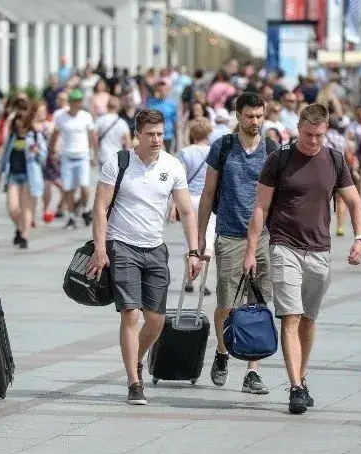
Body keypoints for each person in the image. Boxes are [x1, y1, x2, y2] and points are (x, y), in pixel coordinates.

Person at [244, 103, 361, 415]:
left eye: (319, 135)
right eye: (309, 135)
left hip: (320, 250)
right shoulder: (279, 159)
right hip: (285, 247)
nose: (314, 141)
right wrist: (250, 250)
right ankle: (295, 387)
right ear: (298, 129)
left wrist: (360, 237)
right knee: (291, 317)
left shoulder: (334, 158)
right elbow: (260, 207)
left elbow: (353, 200)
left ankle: (303, 374)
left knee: (309, 319)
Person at [86, 108, 202, 406]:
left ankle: (135, 359)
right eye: (150, 134)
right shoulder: (119, 162)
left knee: (156, 320)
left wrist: (193, 251)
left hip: (155, 248)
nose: (156, 140)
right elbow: (100, 208)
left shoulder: (172, 165)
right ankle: (134, 382)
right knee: (131, 314)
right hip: (122, 246)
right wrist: (101, 249)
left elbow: (187, 211)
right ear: (137, 134)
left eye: (160, 134)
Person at [197, 92, 276, 394]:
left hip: (263, 236)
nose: (255, 121)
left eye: (259, 116)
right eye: (249, 116)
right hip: (229, 234)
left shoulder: (271, 148)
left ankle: (252, 371)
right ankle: (222, 351)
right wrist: (201, 240)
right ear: (238, 116)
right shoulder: (223, 146)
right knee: (226, 304)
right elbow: (207, 194)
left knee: (256, 304)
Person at [0, 104, 48, 249]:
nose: (20, 127)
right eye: (17, 124)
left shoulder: (35, 136)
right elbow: (5, 156)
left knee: (26, 209)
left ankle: (24, 236)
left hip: (29, 176)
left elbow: (43, 157)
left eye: (23, 124)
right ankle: (20, 227)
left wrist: (36, 151)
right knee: (12, 208)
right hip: (13, 175)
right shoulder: (12, 137)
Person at [49, 89, 97, 229]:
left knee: (84, 186)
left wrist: (94, 153)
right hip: (67, 155)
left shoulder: (85, 116)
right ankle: (71, 216)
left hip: (82, 155)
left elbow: (92, 134)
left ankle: (84, 208)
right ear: (70, 102)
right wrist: (51, 151)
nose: (78, 103)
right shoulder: (61, 117)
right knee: (68, 187)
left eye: (79, 101)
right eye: (75, 101)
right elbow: (55, 134)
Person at [176, 118, 213, 295]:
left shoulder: (184, 152)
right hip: (206, 198)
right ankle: (203, 281)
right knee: (205, 239)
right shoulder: (213, 151)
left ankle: (189, 279)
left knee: (189, 239)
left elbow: (180, 179)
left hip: (189, 198)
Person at [94, 97, 132, 168]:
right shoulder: (122, 123)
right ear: (119, 107)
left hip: (103, 156)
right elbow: (128, 142)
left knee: (103, 178)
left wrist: (95, 155)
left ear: (107, 106)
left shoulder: (100, 120)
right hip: (117, 157)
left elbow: (95, 138)